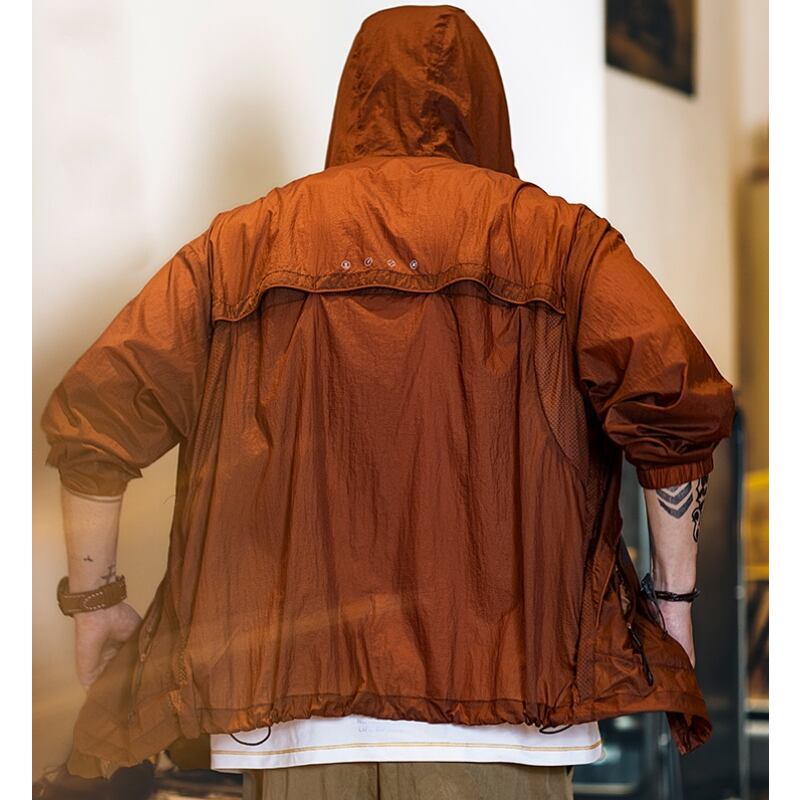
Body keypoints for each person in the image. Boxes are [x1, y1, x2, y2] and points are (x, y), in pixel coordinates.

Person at [39, 4, 736, 799]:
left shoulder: (239, 245)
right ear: (487, 105)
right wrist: (673, 605)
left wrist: (95, 602)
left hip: (286, 721)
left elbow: (97, 414)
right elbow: (673, 405)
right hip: (508, 717)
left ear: (355, 99)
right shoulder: (561, 242)